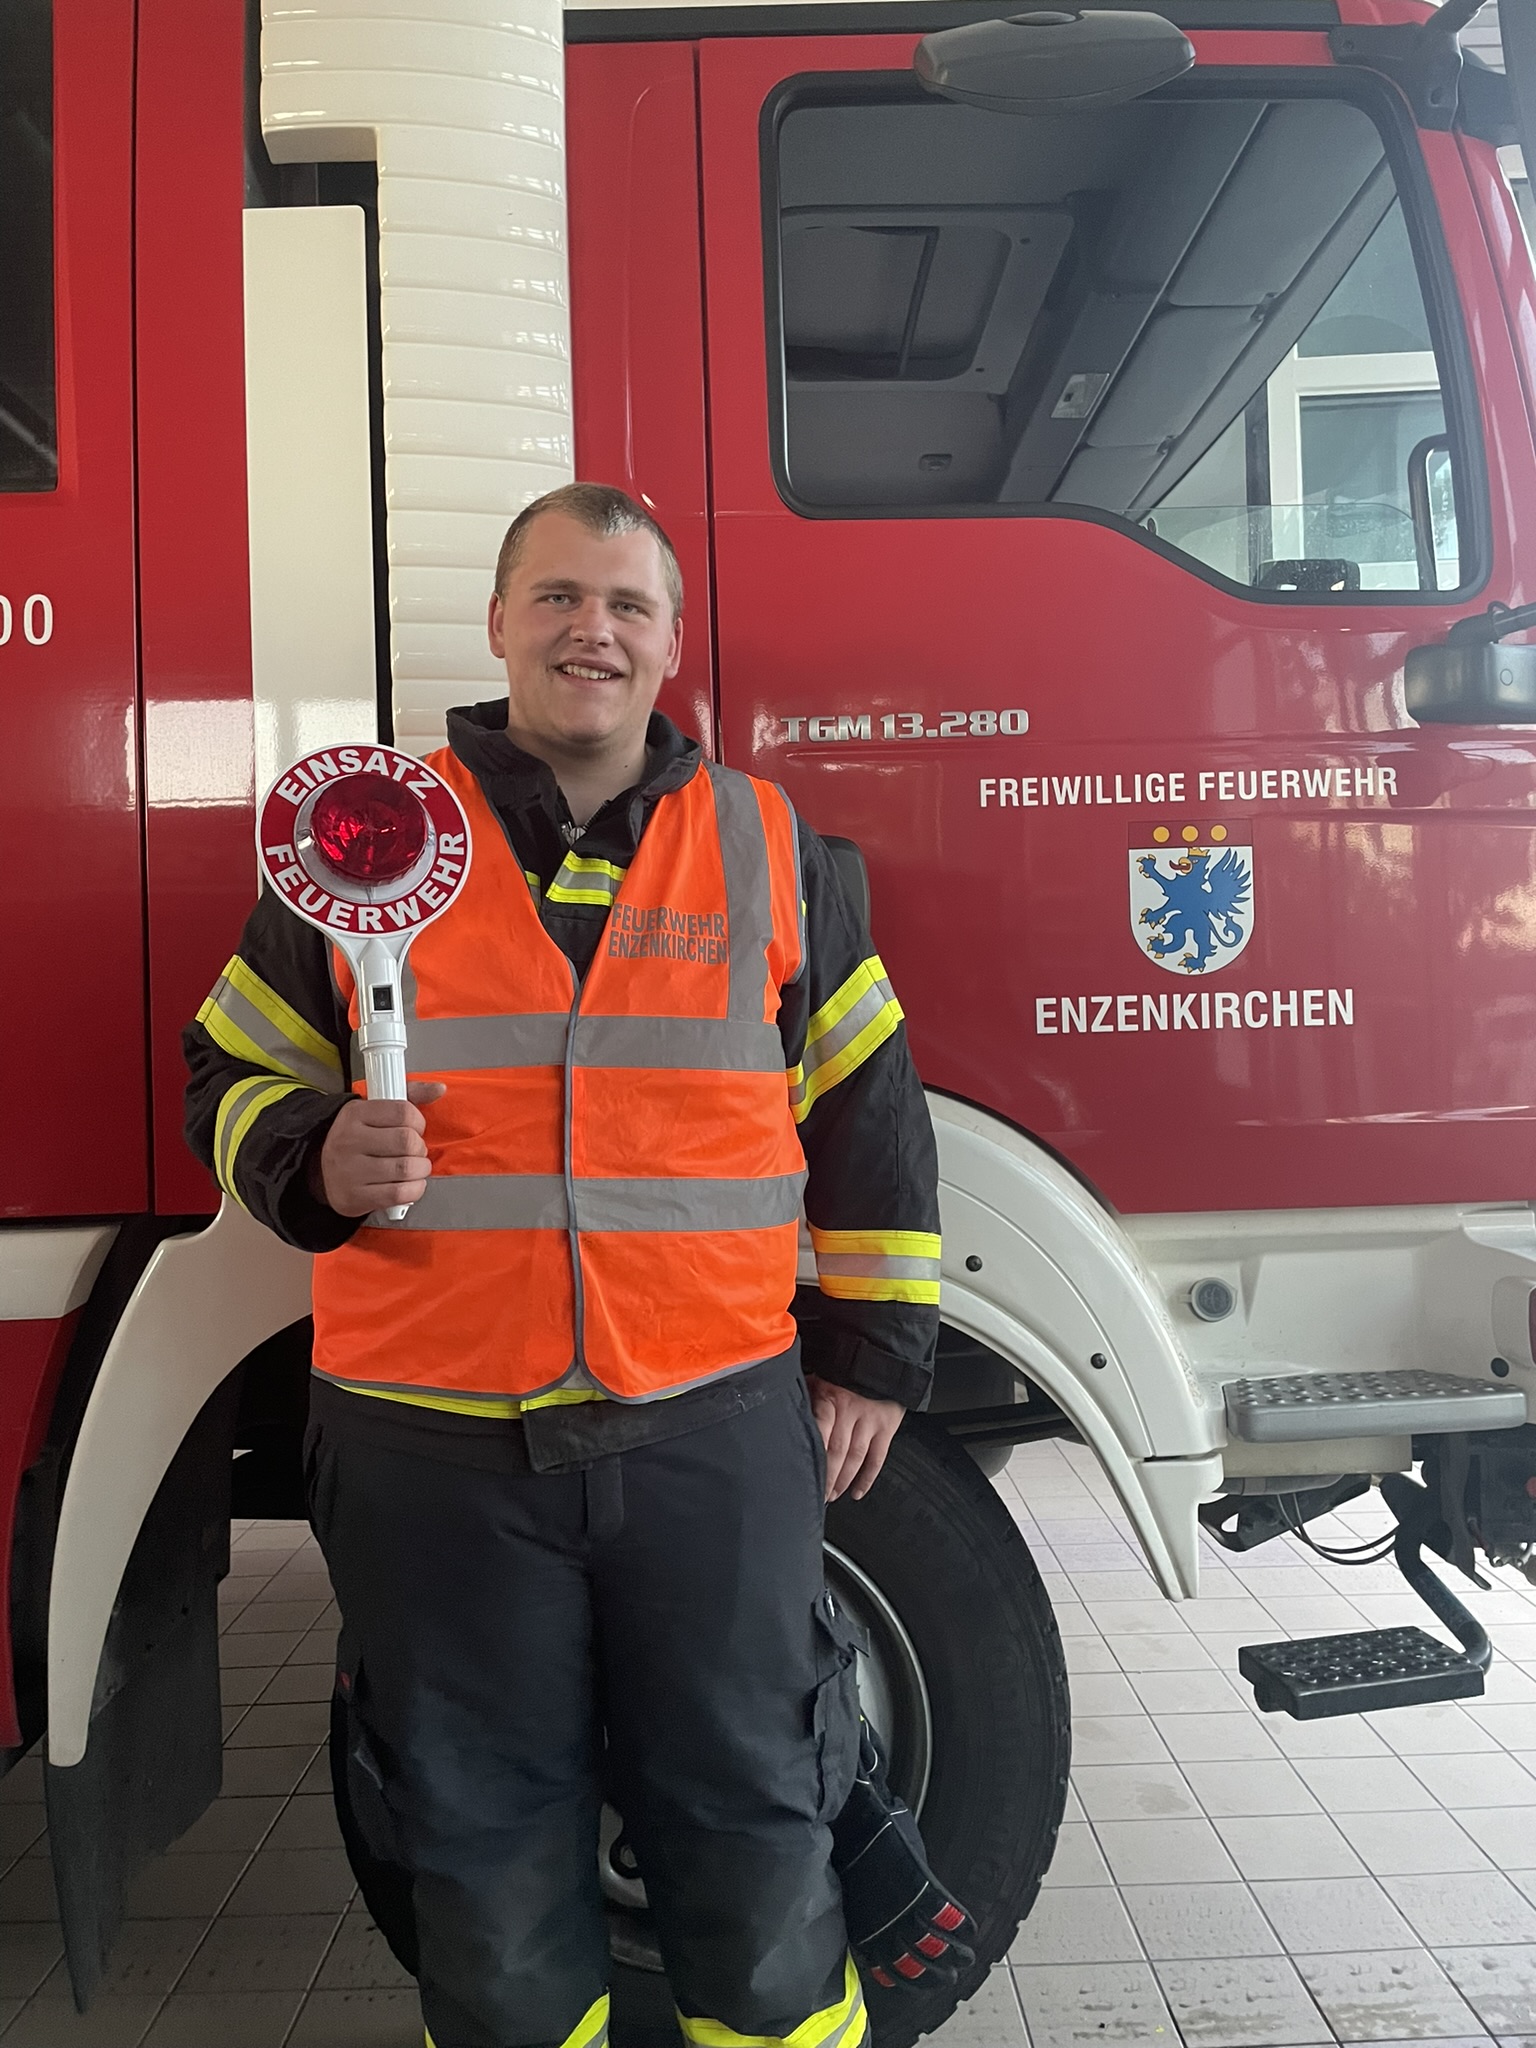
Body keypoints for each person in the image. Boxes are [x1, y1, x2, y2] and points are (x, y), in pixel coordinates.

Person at [184, 483, 946, 2048]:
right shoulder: (367, 841)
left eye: (626, 605)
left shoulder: (770, 847)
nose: (591, 630)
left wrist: (876, 1352)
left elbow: (870, 1109)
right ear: (497, 623)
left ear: (671, 642)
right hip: (431, 1441)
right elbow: (227, 1072)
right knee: (481, 1855)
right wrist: (308, 1157)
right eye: (556, 597)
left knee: (755, 1822)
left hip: (709, 1427)